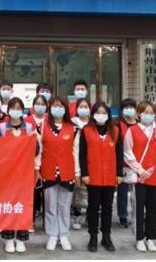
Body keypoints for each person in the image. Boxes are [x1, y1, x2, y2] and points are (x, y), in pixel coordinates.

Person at [123, 101, 156, 252]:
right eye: (146, 112)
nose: (149, 115)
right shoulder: (132, 130)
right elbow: (127, 152)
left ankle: (151, 238)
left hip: (155, 175)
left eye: (152, 113)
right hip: (139, 176)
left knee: (153, 208)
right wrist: (139, 169)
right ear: (139, 113)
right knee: (138, 208)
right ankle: (139, 238)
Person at [0, 97, 41, 254]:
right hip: (7, 174)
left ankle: (21, 239)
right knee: (8, 205)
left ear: (23, 111)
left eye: (18, 108)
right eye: (13, 108)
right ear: (8, 110)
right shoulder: (2, 128)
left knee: (23, 205)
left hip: (25, 173)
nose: (15, 111)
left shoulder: (30, 128)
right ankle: (9, 238)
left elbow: (36, 151)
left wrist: (33, 141)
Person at [79, 102, 123, 253]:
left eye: (104, 113)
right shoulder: (86, 130)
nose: (101, 115)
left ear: (109, 115)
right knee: (93, 207)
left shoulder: (115, 130)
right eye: (98, 112)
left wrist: (119, 173)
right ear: (93, 114)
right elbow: (82, 154)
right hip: (93, 175)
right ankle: (93, 236)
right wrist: (84, 173)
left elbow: (119, 153)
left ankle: (106, 236)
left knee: (108, 207)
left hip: (110, 175)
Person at [40, 96, 79, 252]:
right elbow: (38, 151)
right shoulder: (41, 126)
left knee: (64, 206)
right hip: (48, 171)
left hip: (67, 171)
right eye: (54, 106)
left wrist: (77, 172)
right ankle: (52, 235)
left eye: (60, 106)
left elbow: (76, 152)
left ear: (65, 109)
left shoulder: (73, 128)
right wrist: (37, 170)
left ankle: (63, 235)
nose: (57, 109)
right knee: (50, 206)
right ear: (50, 108)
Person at [25, 94, 49, 231]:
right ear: (33, 106)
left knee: (47, 192)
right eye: (37, 104)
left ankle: (47, 221)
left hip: (48, 159)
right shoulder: (26, 121)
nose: (40, 106)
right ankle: (31, 220)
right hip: (31, 161)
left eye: (43, 104)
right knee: (33, 192)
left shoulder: (50, 120)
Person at [116, 98, 139, 228]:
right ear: (122, 110)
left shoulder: (140, 124)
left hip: (139, 163)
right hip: (123, 162)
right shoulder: (118, 125)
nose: (129, 110)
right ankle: (123, 215)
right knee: (122, 191)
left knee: (138, 191)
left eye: (131, 107)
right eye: (126, 108)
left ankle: (138, 214)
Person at [70, 98, 91, 230]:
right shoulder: (72, 123)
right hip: (75, 158)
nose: (83, 109)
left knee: (90, 188)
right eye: (81, 106)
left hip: (91, 160)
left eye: (85, 106)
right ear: (77, 109)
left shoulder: (93, 123)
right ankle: (77, 215)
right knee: (77, 188)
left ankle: (89, 214)